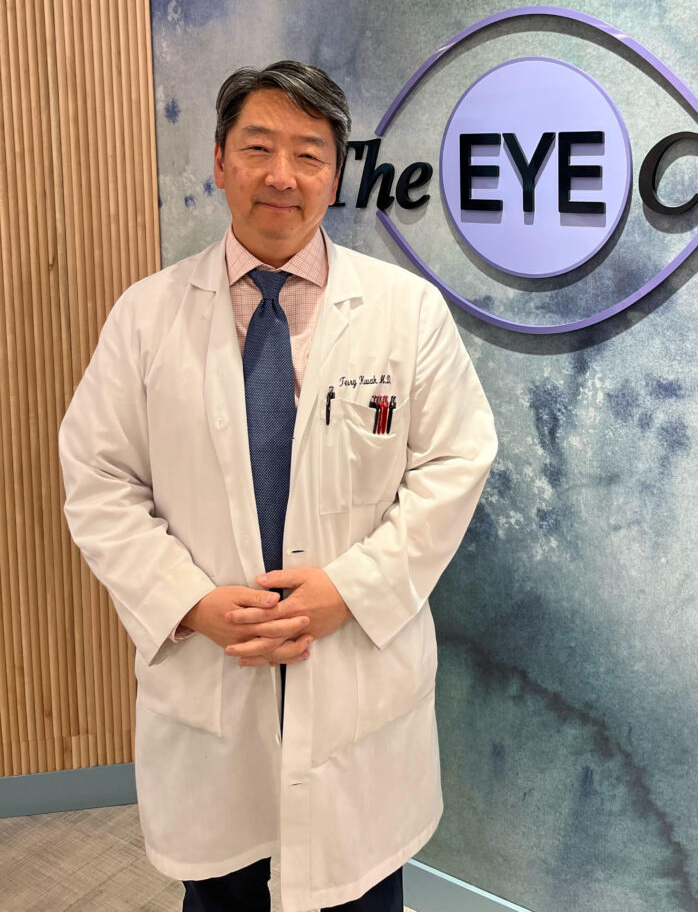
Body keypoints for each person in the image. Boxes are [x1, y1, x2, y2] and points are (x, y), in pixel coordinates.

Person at [60, 61, 497, 912]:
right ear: (220, 160)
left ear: (337, 173)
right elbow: (98, 477)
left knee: (357, 889)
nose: (281, 175)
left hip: (354, 670)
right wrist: (189, 601)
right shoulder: (145, 317)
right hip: (214, 667)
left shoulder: (406, 313)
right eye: (257, 147)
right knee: (220, 890)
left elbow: (455, 462)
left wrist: (348, 589)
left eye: (308, 152)